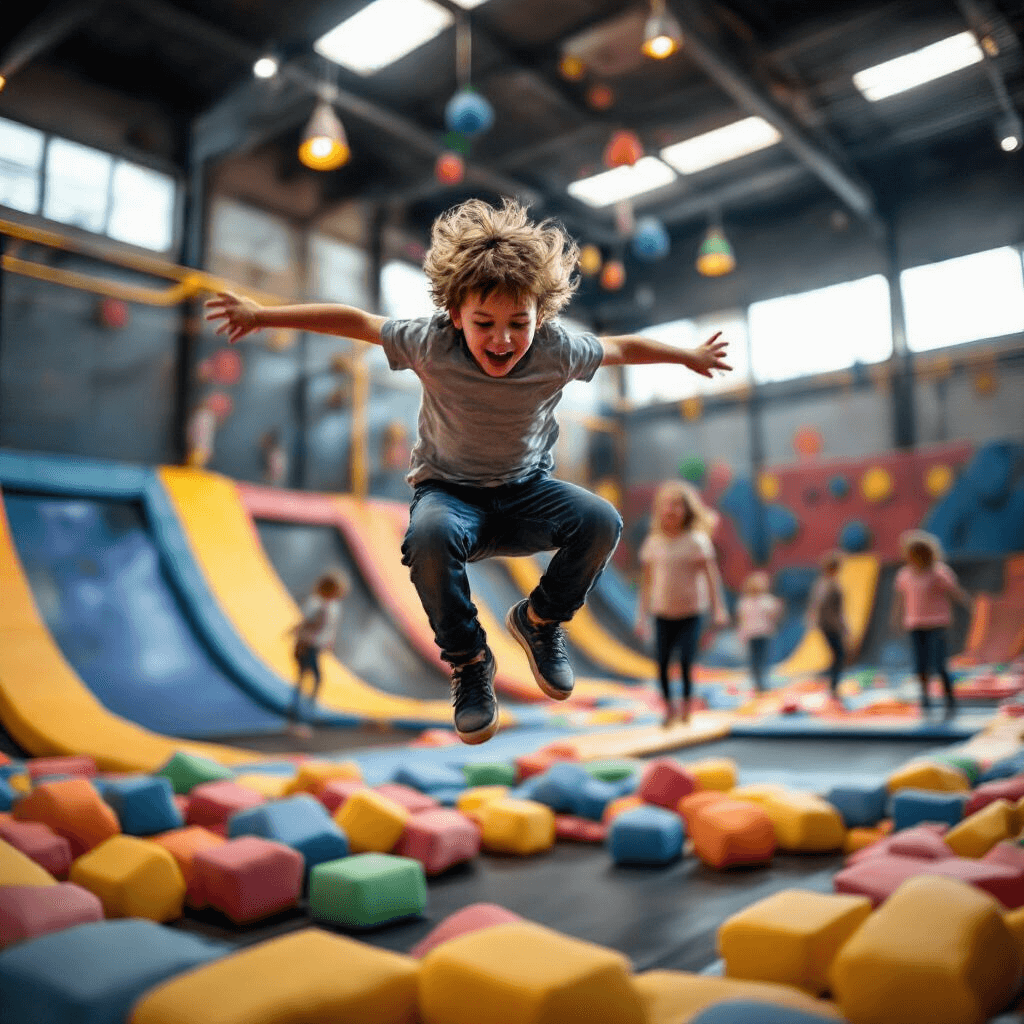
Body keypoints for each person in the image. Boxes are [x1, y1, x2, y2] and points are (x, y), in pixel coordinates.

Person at [205, 197, 731, 745]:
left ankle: (541, 621)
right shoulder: (430, 343)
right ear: (456, 314)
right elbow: (355, 321)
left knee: (601, 519)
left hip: (528, 495)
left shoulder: (557, 349)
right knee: (427, 536)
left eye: (517, 323)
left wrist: (685, 355)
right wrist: (261, 314)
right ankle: (470, 661)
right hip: (450, 497)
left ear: (540, 316)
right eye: (484, 323)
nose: (502, 339)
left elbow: (622, 346)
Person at [634, 480, 730, 726]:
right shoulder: (653, 544)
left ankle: (686, 706)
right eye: (667, 504)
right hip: (663, 612)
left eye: (678, 505)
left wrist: (719, 608)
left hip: (691, 612)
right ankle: (669, 708)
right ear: (659, 510)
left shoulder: (696, 541)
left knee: (686, 660)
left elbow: (711, 576)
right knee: (663, 663)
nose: (672, 510)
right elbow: (646, 584)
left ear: (687, 510)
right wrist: (641, 617)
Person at [891, 529, 973, 719]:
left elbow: (955, 592)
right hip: (915, 624)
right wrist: (896, 618)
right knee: (921, 664)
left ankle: (949, 697)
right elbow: (900, 600)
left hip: (937, 623)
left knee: (940, 663)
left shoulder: (938, 572)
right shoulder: (904, 574)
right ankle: (925, 697)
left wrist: (971, 606)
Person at [286, 571, 349, 739]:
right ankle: (300, 720)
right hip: (307, 646)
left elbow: (330, 628)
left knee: (307, 679)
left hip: (315, 646)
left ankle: (300, 717)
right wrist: (297, 638)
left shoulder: (333, 606)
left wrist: (329, 643)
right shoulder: (317, 604)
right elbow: (307, 623)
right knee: (310, 679)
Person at [807, 550, 847, 704]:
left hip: (830, 623)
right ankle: (833, 686)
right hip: (830, 625)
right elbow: (824, 607)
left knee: (837, 655)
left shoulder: (827, 583)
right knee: (838, 654)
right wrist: (839, 625)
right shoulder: (827, 584)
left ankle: (834, 685)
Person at [736, 570, 783, 694]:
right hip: (760, 633)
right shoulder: (764, 600)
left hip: (756, 633)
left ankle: (759, 682)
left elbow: (741, 618)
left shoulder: (747, 601)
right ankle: (760, 682)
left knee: (757, 659)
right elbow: (773, 614)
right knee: (760, 659)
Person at [185, 397, 217, 468]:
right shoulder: (205, 417)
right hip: (199, 449)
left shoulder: (202, 416)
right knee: (195, 468)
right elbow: (201, 435)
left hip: (198, 449)